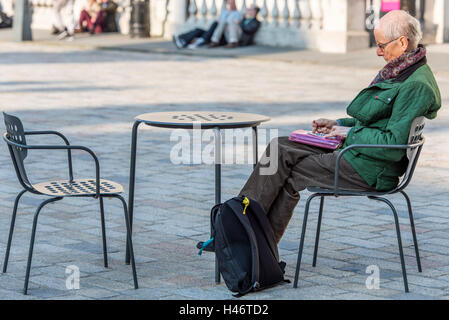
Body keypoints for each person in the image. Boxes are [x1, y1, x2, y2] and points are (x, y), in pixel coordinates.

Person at [238, 10, 441, 243]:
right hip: (361, 154)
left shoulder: (416, 84)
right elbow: (379, 121)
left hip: (370, 168)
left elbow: (393, 145)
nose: (377, 51)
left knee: (290, 172)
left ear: (402, 42)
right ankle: (241, 222)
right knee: (279, 148)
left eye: (382, 45)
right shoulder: (405, 70)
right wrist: (339, 124)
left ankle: (250, 240)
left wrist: (350, 133)